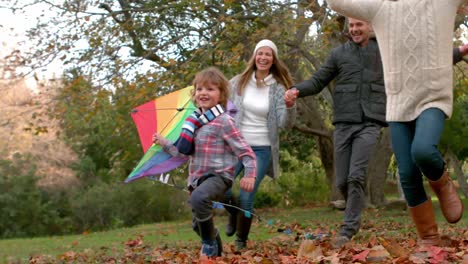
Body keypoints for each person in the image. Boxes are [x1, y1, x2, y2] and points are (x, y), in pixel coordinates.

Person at [323, 0, 467, 248]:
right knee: (407, 173)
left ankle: (442, 182)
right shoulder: (381, 8)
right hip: (399, 103)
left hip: (433, 96)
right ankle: (429, 240)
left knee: (422, 150)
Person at [285, 17, 387, 248]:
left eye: (358, 25)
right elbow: (317, 81)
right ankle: (355, 209)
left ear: (370, 26)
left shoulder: (384, 51)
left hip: (370, 122)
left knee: (356, 176)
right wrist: (295, 90)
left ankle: (348, 229)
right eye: (351, 26)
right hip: (343, 122)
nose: (354, 30)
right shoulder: (339, 53)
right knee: (342, 181)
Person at [152, 67, 257, 258]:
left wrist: (250, 174)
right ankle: (214, 241)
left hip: (220, 176)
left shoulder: (224, 121)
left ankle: (208, 244)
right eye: (199, 89)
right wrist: (164, 143)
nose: (203, 93)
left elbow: (245, 150)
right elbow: (182, 153)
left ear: (221, 94)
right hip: (197, 178)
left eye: (210, 89)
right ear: (194, 93)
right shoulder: (191, 122)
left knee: (199, 198)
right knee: (196, 224)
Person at [225, 39, 296, 250]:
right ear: (254, 56)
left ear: (273, 59)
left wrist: (290, 106)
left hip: (261, 149)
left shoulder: (279, 88)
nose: (263, 57)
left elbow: (286, 125)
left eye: (268, 54)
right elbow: (219, 102)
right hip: (236, 147)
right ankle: (233, 212)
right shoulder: (237, 82)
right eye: (260, 53)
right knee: (222, 187)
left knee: (247, 197)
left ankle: (241, 241)